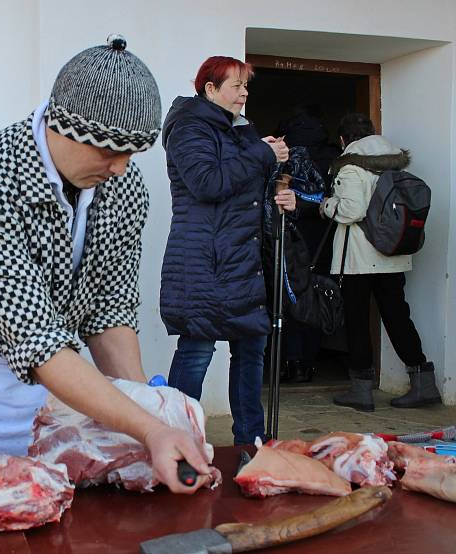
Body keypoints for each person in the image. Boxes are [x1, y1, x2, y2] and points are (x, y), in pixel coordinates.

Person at [0, 35, 212, 493]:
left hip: (59, 381)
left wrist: (151, 415)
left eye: (132, 154)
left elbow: (110, 310)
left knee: (46, 508)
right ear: (60, 126)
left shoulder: (124, 188)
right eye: (109, 151)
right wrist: (148, 429)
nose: (121, 169)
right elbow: (37, 341)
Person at [159, 56, 294, 445]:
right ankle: (176, 440)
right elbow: (207, 182)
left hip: (242, 261)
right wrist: (261, 155)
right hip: (203, 261)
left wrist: (281, 195)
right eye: (237, 85)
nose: (245, 92)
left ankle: (250, 442)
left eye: (245, 85)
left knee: (251, 352)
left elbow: (249, 191)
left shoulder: (241, 132)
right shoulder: (188, 128)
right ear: (211, 89)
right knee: (197, 350)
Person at [322, 113, 442, 411]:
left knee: (358, 321)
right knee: (397, 316)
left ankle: (361, 390)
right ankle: (423, 382)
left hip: (360, 259)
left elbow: (352, 211)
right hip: (391, 255)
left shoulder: (350, 165)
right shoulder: (393, 160)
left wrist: (327, 205)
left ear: (343, 139)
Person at [274, 106, 341, 383]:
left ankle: (290, 363)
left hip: (290, 237)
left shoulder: (285, 157)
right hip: (325, 239)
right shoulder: (335, 159)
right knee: (318, 296)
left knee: (288, 298)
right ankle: (308, 363)